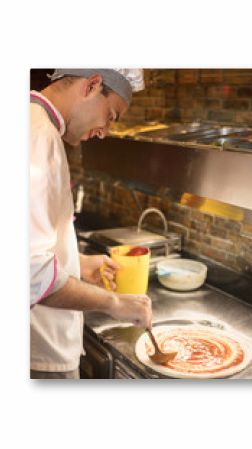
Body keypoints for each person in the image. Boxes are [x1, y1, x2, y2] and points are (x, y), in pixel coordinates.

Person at [30, 69, 152, 379]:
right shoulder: (37, 136)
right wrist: (114, 302)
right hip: (39, 355)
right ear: (92, 85)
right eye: (111, 115)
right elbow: (29, 271)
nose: (105, 131)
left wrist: (78, 264)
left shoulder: (37, 126)